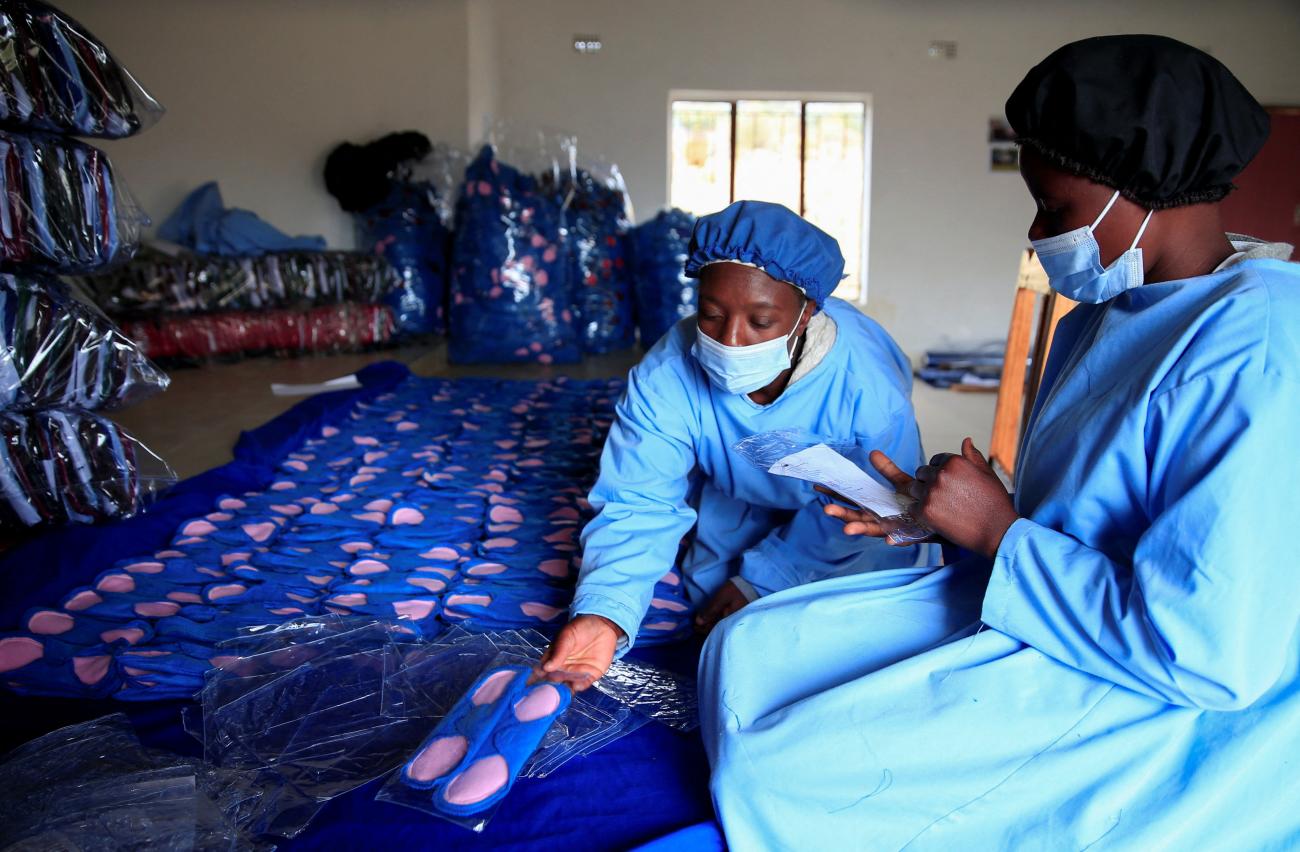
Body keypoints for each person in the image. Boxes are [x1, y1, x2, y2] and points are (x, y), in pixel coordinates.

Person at [699, 34, 1300, 850]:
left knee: (773, 769)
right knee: (745, 650)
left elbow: (1208, 655)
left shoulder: (1253, 350)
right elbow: (1098, 513)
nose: (1036, 231)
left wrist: (996, 530)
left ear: (1142, 190)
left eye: (1054, 210)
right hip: (1047, 611)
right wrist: (948, 515)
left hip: (1149, 692)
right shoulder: (1107, 315)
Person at [541, 200, 934, 687]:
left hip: (850, 527)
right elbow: (638, 499)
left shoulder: (867, 392)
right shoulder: (667, 374)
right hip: (734, 497)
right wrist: (604, 611)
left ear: (806, 312)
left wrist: (765, 577)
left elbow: (875, 507)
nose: (731, 340)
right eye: (710, 314)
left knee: (849, 640)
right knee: (715, 622)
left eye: (761, 322)